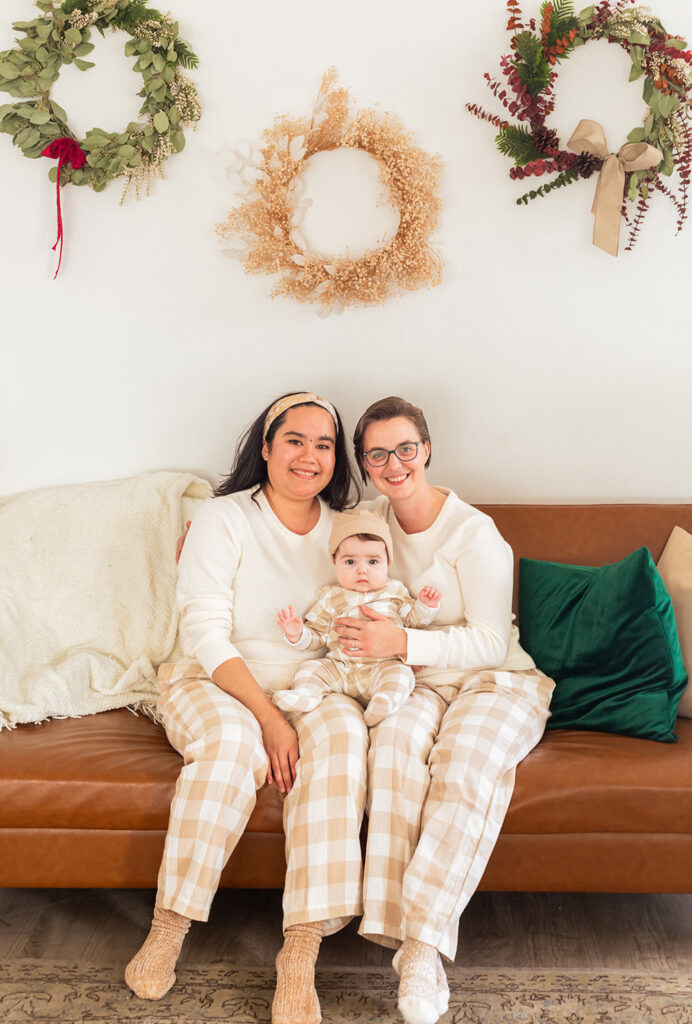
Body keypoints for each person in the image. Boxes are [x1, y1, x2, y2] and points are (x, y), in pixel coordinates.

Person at [124, 391, 371, 1024]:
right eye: (294, 440)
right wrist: (269, 719)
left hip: (313, 685)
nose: (309, 455)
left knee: (343, 745)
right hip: (215, 678)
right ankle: (169, 926)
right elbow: (205, 631)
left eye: (323, 444)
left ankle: (300, 953)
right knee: (232, 749)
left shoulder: (350, 526)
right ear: (265, 448)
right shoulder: (223, 517)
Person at [333, 396, 555, 1024]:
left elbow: (489, 639)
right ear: (366, 465)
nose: (393, 463)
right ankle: (394, 931)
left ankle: (423, 948)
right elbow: (283, 530)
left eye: (405, 448)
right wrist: (206, 523)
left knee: (460, 767)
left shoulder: (473, 532)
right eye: (377, 453)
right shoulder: (363, 525)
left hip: (496, 682)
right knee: (395, 752)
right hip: (417, 687)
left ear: (426, 449)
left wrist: (403, 642)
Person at [273, 508, 441, 726]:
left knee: (402, 674)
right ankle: (308, 694)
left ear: (387, 563)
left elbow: (413, 621)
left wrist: (426, 605)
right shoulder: (330, 596)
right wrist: (297, 634)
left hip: (382, 666)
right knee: (311, 668)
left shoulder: (394, 591)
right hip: (340, 667)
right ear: (335, 562)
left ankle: (385, 701)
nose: (362, 570)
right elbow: (317, 637)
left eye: (373, 562)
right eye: (350, 562)